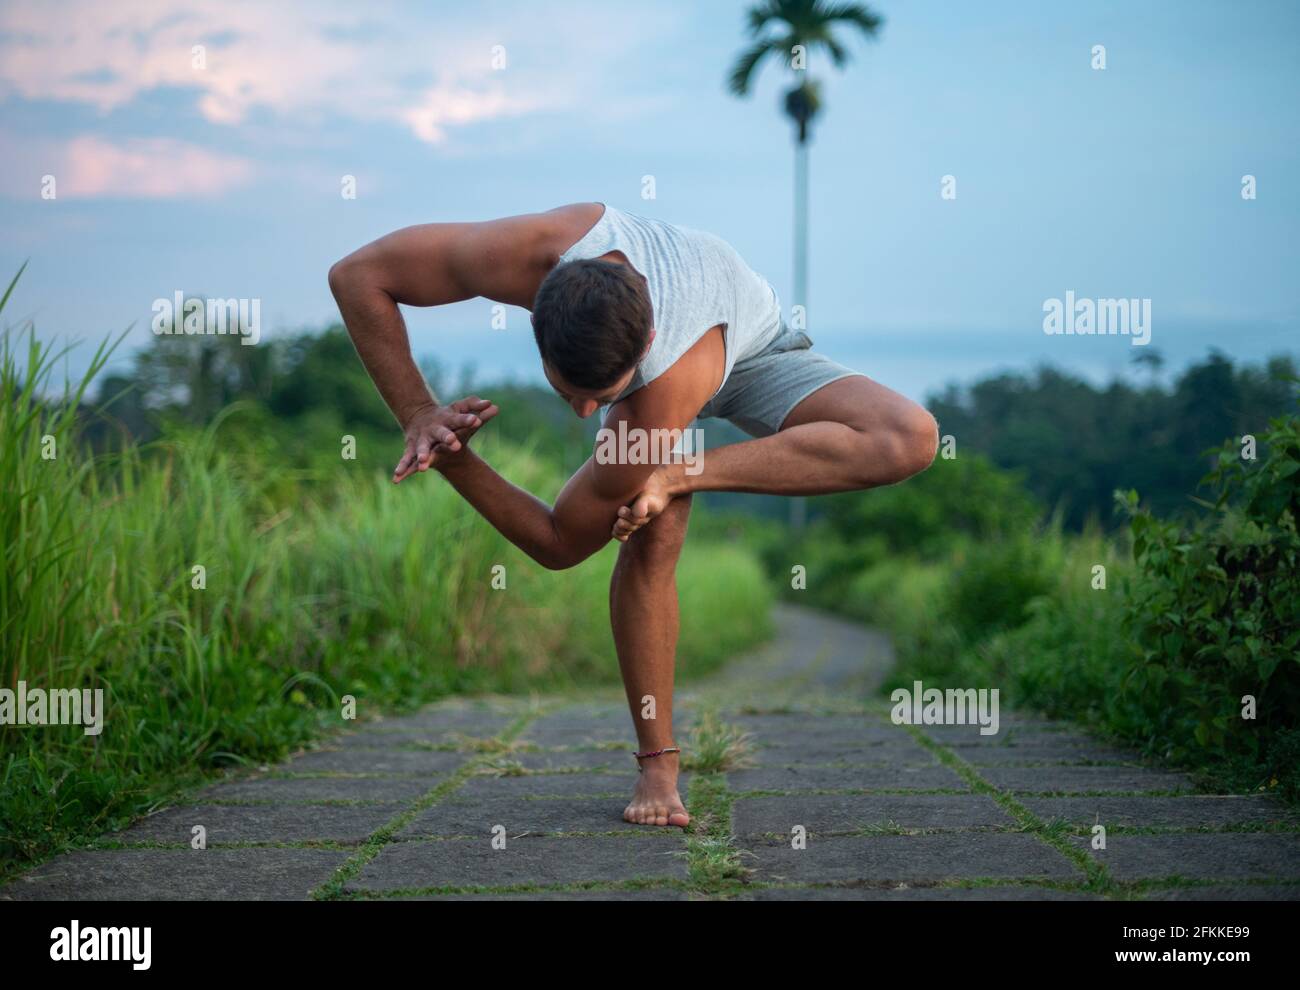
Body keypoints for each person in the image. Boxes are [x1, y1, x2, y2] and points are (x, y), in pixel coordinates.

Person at [328, 202, 938, 828]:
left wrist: (461, 465)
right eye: (568, 390)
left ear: (642, 349)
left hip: (748, 348)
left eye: (604, 395)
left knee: (904, 439)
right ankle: (658, 762)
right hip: (684, 331)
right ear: (535, 314)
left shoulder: (657, 389)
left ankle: (679, 478)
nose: (585, 412)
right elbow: (358, 275)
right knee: (648, 507)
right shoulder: (529, 251)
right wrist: (420, 415)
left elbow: (559, 542)